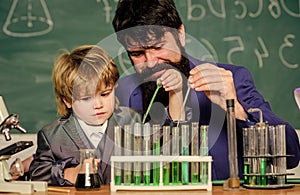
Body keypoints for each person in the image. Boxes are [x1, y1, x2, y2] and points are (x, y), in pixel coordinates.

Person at [112, 0, 300, 180]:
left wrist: (235, 108)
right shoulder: (121, 92)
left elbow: (291, 155)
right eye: (137, 54)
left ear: (180, 34)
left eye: (158, 47)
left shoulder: (232, 78)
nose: (151, 62)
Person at [29, 45, 141, 185]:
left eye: (105, 94)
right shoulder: (52, 136)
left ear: (114, 87)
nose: (98, 105)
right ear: (68, 101)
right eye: (86, 98)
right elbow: (38, 174)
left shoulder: (133, 121)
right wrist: (69, 173)